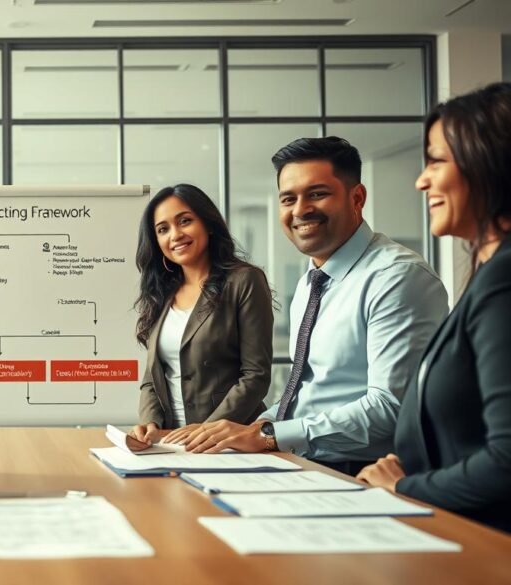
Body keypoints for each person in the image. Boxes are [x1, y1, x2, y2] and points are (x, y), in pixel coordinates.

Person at [181, 137, 448, 476]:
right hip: (304, 461)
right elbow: (304, 393)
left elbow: (390, 408)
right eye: (288, 199)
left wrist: (267, 435)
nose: (300, 209)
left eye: (317, 194)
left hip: (362, 471)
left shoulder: (396, 277)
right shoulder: (313, 278)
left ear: (357, 198)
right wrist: (241, 429)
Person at [358, 82, 511, 532]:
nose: (421, 180)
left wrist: (405, 487)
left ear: (490, 164)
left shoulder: (503, 279)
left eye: (436, 160)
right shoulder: (486, 274)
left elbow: (507, 460)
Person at [128, 184, 273, 450]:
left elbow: (255, 376)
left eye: (185, 221)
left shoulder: (244, 280)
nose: (175, 235)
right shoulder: (161, 293)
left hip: (229, 440)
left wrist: (209, 431)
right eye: (163, 229)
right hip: (170, 443)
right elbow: (152, 376)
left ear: (207, 223)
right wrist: (150, 423)